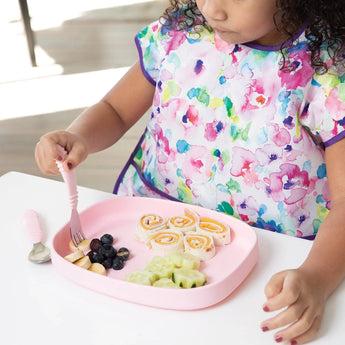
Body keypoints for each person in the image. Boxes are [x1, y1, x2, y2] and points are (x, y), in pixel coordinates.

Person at [35, 0, 345, 343]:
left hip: (269, 266)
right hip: (147, 245)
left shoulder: (326, 71)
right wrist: (77, 136)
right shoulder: (181, 33)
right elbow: (115, 110)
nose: (213, 9)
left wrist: (317, 278)